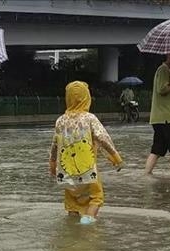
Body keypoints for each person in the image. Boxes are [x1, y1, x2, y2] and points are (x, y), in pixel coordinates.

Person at [49, 81, 123, 225]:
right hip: (88, 172)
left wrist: (52, 165)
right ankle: (86, 224)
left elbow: (54, 145)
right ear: (86, 98)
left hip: (66, 173)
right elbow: (103, 138)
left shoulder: (60, 121)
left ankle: (72, 229)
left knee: (72, 203)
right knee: (96, 198)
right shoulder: (89, 118)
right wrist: (116, 157)